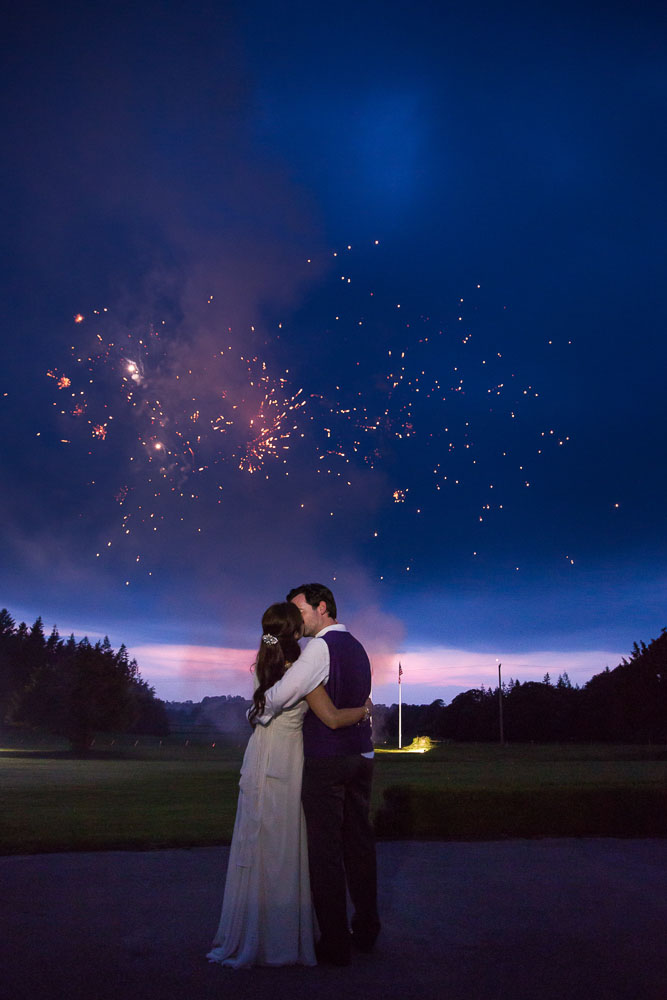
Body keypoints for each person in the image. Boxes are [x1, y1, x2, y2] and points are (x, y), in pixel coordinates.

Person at [207, 601, 368, 969]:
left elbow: (259, 711)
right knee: (284, 846)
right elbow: (331, 717)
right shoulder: (301, 671)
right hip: (286, 760)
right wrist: (365, 710)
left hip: (258, 756)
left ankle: (252, 929)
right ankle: (281, 936)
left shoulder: (262, 664)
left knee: (258, 839)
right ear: (295, 632)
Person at [260, 583, 381, 966]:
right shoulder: (359, 648)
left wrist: (259, 712)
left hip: (328, 761)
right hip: (362, 756)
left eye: (301, 611)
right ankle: (366, 928)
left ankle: (334, 942)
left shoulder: (319, 648)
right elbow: (361, 700)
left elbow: (280, 695)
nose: (297, 620)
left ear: (322, 608)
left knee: (325, 853)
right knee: (359, 845)